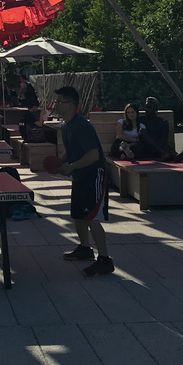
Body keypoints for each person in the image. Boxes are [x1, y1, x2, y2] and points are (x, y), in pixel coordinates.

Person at [53, 85, 114, 277]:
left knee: (91, 217)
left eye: (60, 102)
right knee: (78, 214)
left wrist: (71, 167)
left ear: (71, 104)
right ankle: (85, 249)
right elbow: (70, 151)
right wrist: (59, 162)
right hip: (80, 176)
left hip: (94, 175)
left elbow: (93, 155)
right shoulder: (66, 126)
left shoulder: (82, 126)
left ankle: (104, 260)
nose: (56, 105)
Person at [139, 97, 183, 162]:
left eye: (150, 107)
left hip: (159, 146)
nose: (147, 109)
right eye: (146, 107)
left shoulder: (163, 122)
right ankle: (168, 155)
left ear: (156, 108)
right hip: (146, 147)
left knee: (166, 147)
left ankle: (174, 156)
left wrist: (158, 145)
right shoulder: (140, 120)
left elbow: (164, 139)